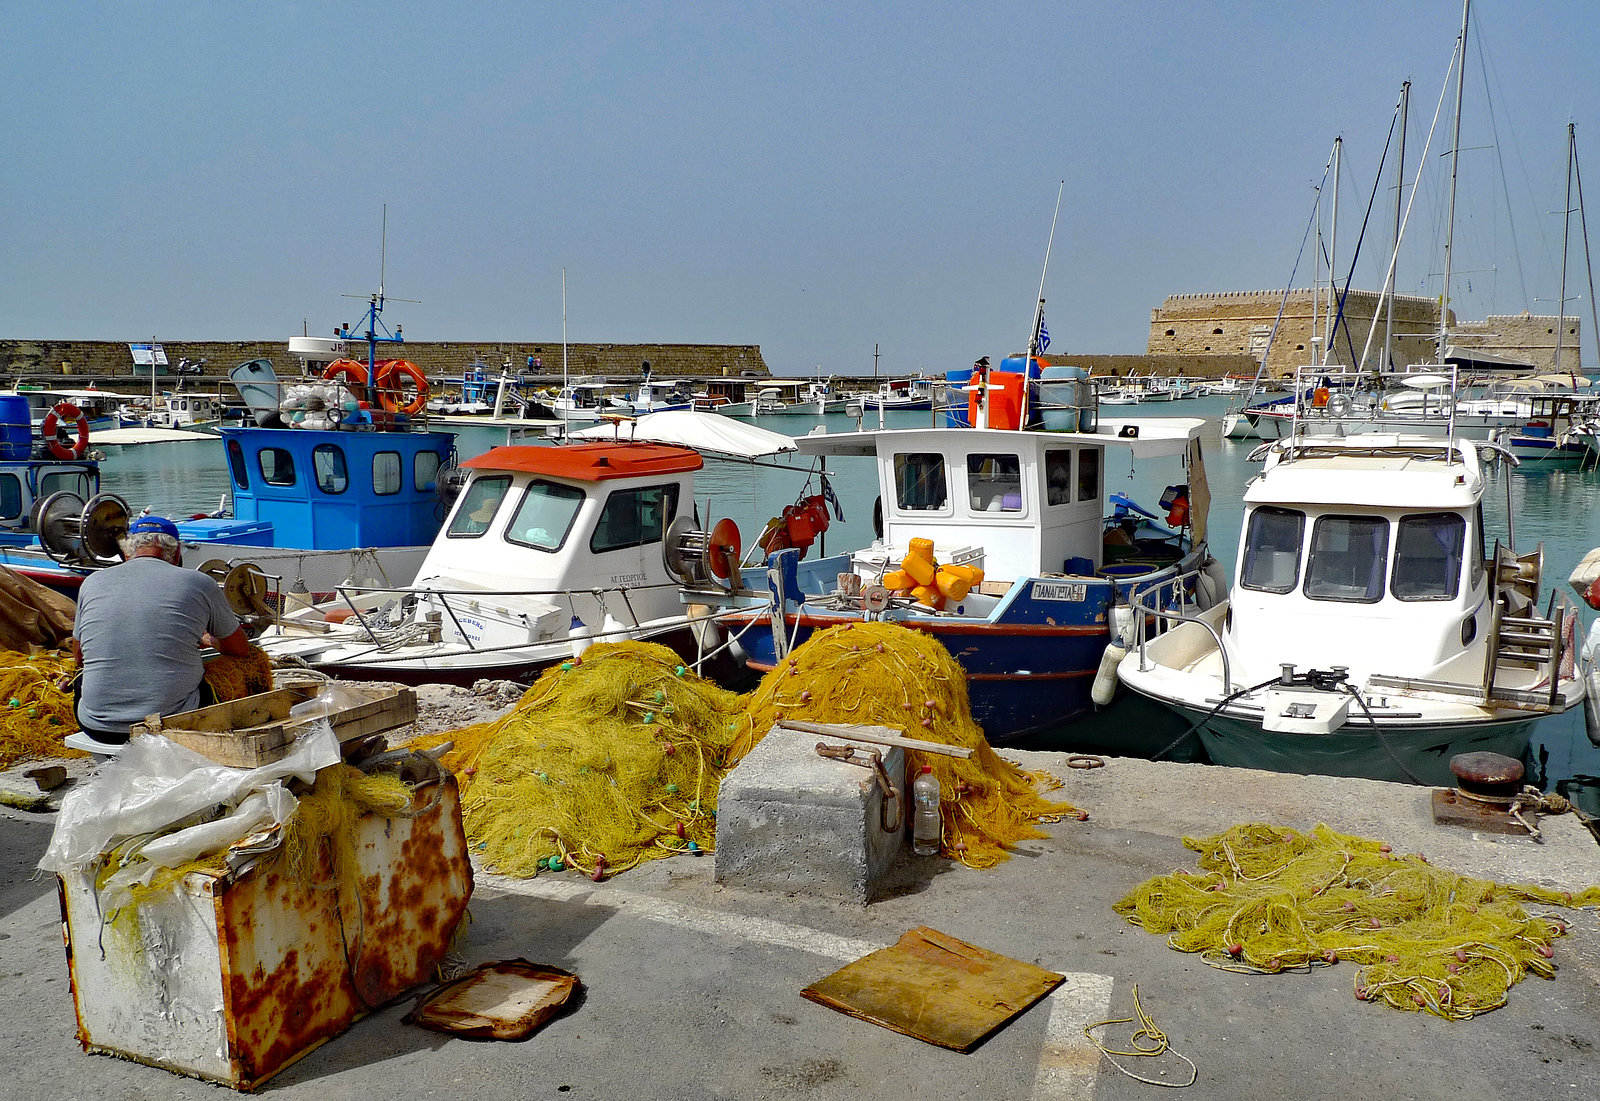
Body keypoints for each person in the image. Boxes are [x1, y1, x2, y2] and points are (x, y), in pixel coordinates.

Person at [71, 515, 253, 744]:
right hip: (172, 723)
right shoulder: (200, 583)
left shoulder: (91, 583)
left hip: (98, 727)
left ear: (127, 553)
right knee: (238, 670)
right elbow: (239, 649)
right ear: (176, 554)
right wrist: (206, 638)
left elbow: (79, 657)